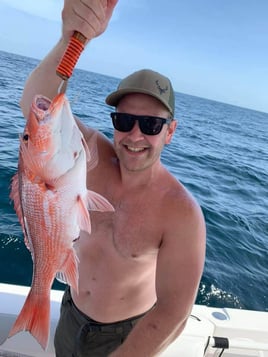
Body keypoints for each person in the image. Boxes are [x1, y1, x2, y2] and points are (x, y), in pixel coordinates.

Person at [20, 1, 206, 356]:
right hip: (70, 313)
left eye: (151, 125)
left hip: (123, 338)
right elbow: (36, 105)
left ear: (170, 132)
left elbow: (174, 311)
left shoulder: (182, 213)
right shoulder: (89, 157)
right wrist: (73, 39)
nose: (134, 136)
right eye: (124, 121)